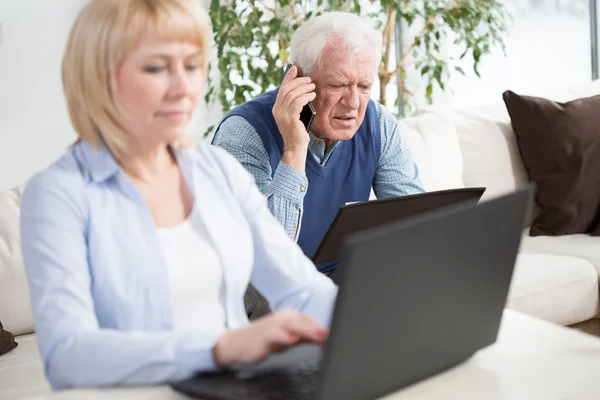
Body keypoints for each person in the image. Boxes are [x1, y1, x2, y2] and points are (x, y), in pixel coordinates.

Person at [19, 0, 337, 390]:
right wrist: (220, 347)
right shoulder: (58, 194)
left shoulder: (215, 169)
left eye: (191, 65)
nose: (182, 87)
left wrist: (367, 320)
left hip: (233, 392)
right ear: (99, 77)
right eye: (155, 67)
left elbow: (300, 287)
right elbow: (66, 354)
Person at [212, 12, 425, 273]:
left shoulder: (377, 122)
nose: (354, 103)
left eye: (364, 86)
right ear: (296, 80)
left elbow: (418, 223)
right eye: (338, 85)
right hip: (270, 294)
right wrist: (294, 147)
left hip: (344, 280)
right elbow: (264, 260)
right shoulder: (244, 133)